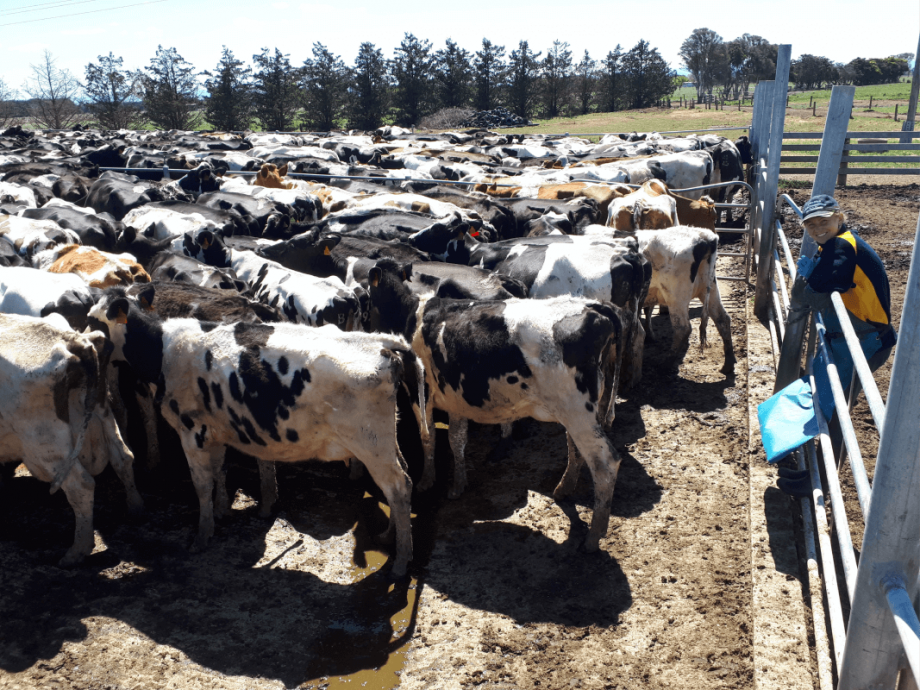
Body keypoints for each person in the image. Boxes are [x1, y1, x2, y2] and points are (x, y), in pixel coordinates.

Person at [777, 194, 897, 497]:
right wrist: (810, 281)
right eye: (810, 223)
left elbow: (813, 296)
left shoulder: (843, 245)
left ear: (839, 218)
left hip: (867, 340)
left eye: (824, 220)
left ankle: (823, 482)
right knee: (832, 404)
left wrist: (806, 281)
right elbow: (815, 291)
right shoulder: (834, 243)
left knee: (838, 411)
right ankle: (817, 473)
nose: (818, 227)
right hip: (852, 337)